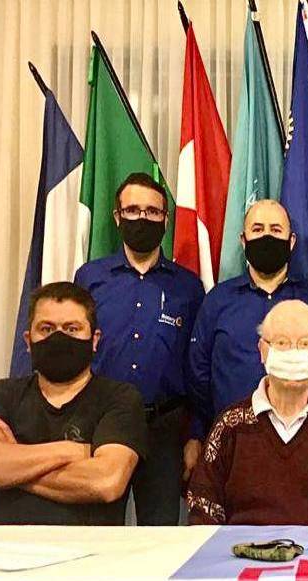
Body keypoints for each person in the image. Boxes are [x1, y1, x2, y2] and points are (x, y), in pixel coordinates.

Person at [74, 172, 204, 525]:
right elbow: (76, 352)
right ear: (117, 217)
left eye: (152, 211)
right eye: (132, 210)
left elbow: (197, 366)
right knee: (98, 530)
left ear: (165, 219)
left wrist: (195, 435)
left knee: (160, 533)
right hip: (101, 424)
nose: (142, 218)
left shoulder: (188, 287)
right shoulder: (90, 278)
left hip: (164, 427)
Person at [0, 283, 147, 525]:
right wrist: (73, 450)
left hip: (88, 547)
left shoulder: (120, 399)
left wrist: (11, 462)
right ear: (28, 341)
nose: (58, 338)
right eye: (46, 329)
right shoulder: (1, 395)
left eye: (72, 329)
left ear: (94, 339)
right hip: (5, 545)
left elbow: (106, 481)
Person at [187, 300, 308, 525]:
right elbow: (202, 507)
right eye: (282, 343)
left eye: (305, 343)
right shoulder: (230, 425)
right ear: (262, 350)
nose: (293, 354)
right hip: (244, 546)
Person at [187, 199, 308, 443]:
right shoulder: (217, 301)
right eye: (257, 229)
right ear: (243, 240)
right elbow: (199, 373)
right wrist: (199, 432)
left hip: (306, 442)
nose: (267, 237)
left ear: (291, 241)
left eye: (276, 230)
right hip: (231, 441)